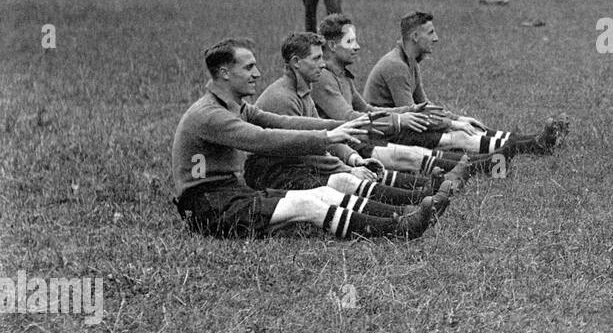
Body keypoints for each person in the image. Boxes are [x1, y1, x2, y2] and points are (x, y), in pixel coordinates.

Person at [171, 38, 446, 240]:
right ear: (224, 73)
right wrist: (328, 137)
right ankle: (399, 229)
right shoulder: (210, 114)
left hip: (229, 193)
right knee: (308, 204)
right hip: (206, 206)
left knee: (325, 193)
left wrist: (341, 127)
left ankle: (405, 214)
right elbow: (263, 139)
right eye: (249, 67)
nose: (257, 73)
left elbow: (281, 122)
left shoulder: (233, 105)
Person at [242, 32, 466, 213]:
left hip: (313, 157)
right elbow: (317, 142)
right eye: (317, 59)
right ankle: (414, 203)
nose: (323, 64)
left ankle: (426, 191)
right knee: (348, 179)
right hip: (276, 173)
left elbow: (330, 133)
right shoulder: (282, 98)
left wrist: (354, 158)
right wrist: (348, 166)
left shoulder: (304, 89)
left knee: (368, 165)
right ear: (296, 62)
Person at [313, 13, 495, 176]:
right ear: (332, 46)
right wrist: (402, 119)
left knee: (419, 153)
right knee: (413, 154)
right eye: (350, 42)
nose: (357, 47)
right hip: (352, 144)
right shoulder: (324, 79)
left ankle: (496, 159)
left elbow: (367, 108)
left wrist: (410, 110)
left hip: (367, 136)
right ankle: (493, 163)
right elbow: (348, 118)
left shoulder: (342, 75)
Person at [363, 11, 569, 156]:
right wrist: (452, 124)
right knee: (461, 136)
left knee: (470, 127)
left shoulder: (409, 60)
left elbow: (425, 107)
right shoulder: (396, 67)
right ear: (415, 36)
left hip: (405, 129)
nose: (436, 38)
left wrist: (459, 118)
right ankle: (535, 145)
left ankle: (537, 140)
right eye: (431, 33)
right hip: (391, 136)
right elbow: (415, 120)